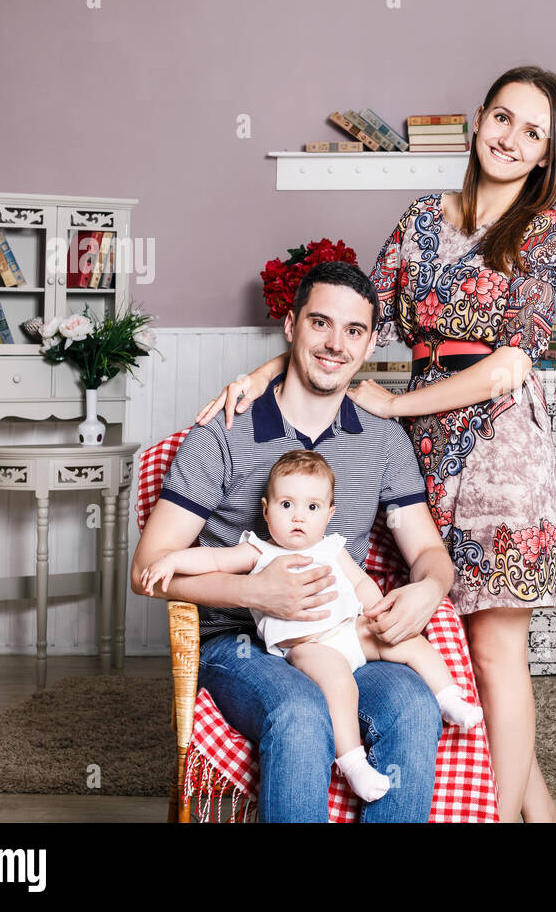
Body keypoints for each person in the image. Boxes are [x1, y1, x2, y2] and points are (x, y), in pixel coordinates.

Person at [197, 65, 556, 823]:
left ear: (546, 155)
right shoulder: (421, 218)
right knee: (457, 650)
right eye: (502, 118)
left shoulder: (543, 233)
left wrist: (399, 401)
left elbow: (509, 365)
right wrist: (268, 368)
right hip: (424, 451)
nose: (510, 139)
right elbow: (348, 317)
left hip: (502, 452)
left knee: (498, 650)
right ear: (479, 120)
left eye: (532, 133)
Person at [132, 260, 457, 823]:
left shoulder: (382, 440)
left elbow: (428, 552)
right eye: (320, 324)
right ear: (290, 327)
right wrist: (257, 593)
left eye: (353, 331)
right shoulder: (223, 433)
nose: (335, 344)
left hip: (344, 636)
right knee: (301, 712)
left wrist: (429, 588)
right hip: (239, 645)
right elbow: (145, 571)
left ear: (370, 342)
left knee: (411, 705)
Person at [139, 448, 483, 803]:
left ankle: (449, 697)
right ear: (265, 510)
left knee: (411, 644)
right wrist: (172, 559)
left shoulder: (333, 548)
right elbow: (213, 558)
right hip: (307, 646)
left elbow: (361, 582)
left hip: (350, 631)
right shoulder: (260, 551)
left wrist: (376, 609)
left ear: (330, 514)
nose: (298, 517)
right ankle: (352, 761)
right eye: (286, 505)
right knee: (338, 682)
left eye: (312, 507)